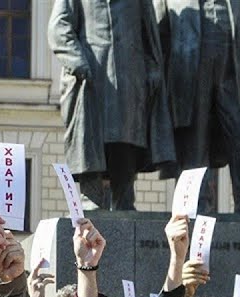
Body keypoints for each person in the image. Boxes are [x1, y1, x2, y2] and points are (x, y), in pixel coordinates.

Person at [156, 0, 240, 213]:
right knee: (195, 139)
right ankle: (196, 203)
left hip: (232, 74)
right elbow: (157, 39)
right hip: (190, 77)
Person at [48, 0, 175, 210]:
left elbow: (149, 35)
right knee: (89, 142)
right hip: (90, 79)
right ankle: (91, 200)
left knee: (126, 142)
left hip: (129, 78)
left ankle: (125, 202)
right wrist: (76, 60)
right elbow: (58, 27)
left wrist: (152, 67)